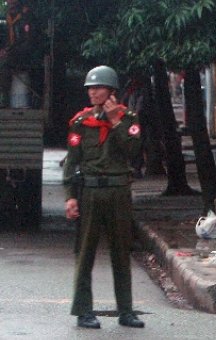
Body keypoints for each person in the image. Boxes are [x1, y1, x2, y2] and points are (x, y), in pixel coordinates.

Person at [63, 65, 144, 329]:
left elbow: (132, 151)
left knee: (121, 251)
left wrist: (115, 121)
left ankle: (126, 310)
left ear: (111, 91)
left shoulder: (128, 119)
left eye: (98, 87)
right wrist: (70, 196)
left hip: (118, 191)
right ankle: (83, 310)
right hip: (89, 192)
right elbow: (71, 161)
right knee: (85, 252)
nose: (92, 92)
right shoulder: (80, 122)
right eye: (90, 88)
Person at [0, 0, 35, 108]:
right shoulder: (5, 18)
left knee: (5, 67)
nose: (10, 5)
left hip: (23, 55)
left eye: (13, 4)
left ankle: (4, 100)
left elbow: (28, 41)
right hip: (9, 53)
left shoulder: (26, 16)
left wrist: (9, 52)